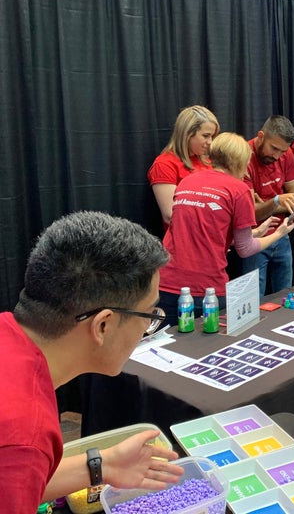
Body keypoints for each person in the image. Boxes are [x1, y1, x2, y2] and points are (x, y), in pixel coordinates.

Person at [0, 211, 183, 510]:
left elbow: (20, 480)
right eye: (149, 315)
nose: (149, 328)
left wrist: (102, 465)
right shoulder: (23, 433)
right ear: (103, 326)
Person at [158, 132, 294, 324]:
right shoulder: (237, 189)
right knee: (209, 346)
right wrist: (281, 232)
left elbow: (204, 233)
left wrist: (256, 233)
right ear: (239, 162)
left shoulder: (187, 181)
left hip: (166, 282)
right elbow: (246, 249)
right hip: (206, 288)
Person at [241, 116, 294, 296]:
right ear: (261, 136)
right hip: (254, 238)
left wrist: (268, 205)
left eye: (282, 151)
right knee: (253, 302)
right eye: (274, 148)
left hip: (282, 234)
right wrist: (278, 201)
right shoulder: (243, 156)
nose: (277, 156)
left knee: (286, 297)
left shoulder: (287, 154)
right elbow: (249, 214)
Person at [147, 105, 220, 228]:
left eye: (212, 136)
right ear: (187, 134)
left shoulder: (208, 161)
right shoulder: (164, 165)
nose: (210, 142)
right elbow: (170, 215)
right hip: (187, 241)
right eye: (205, 136)